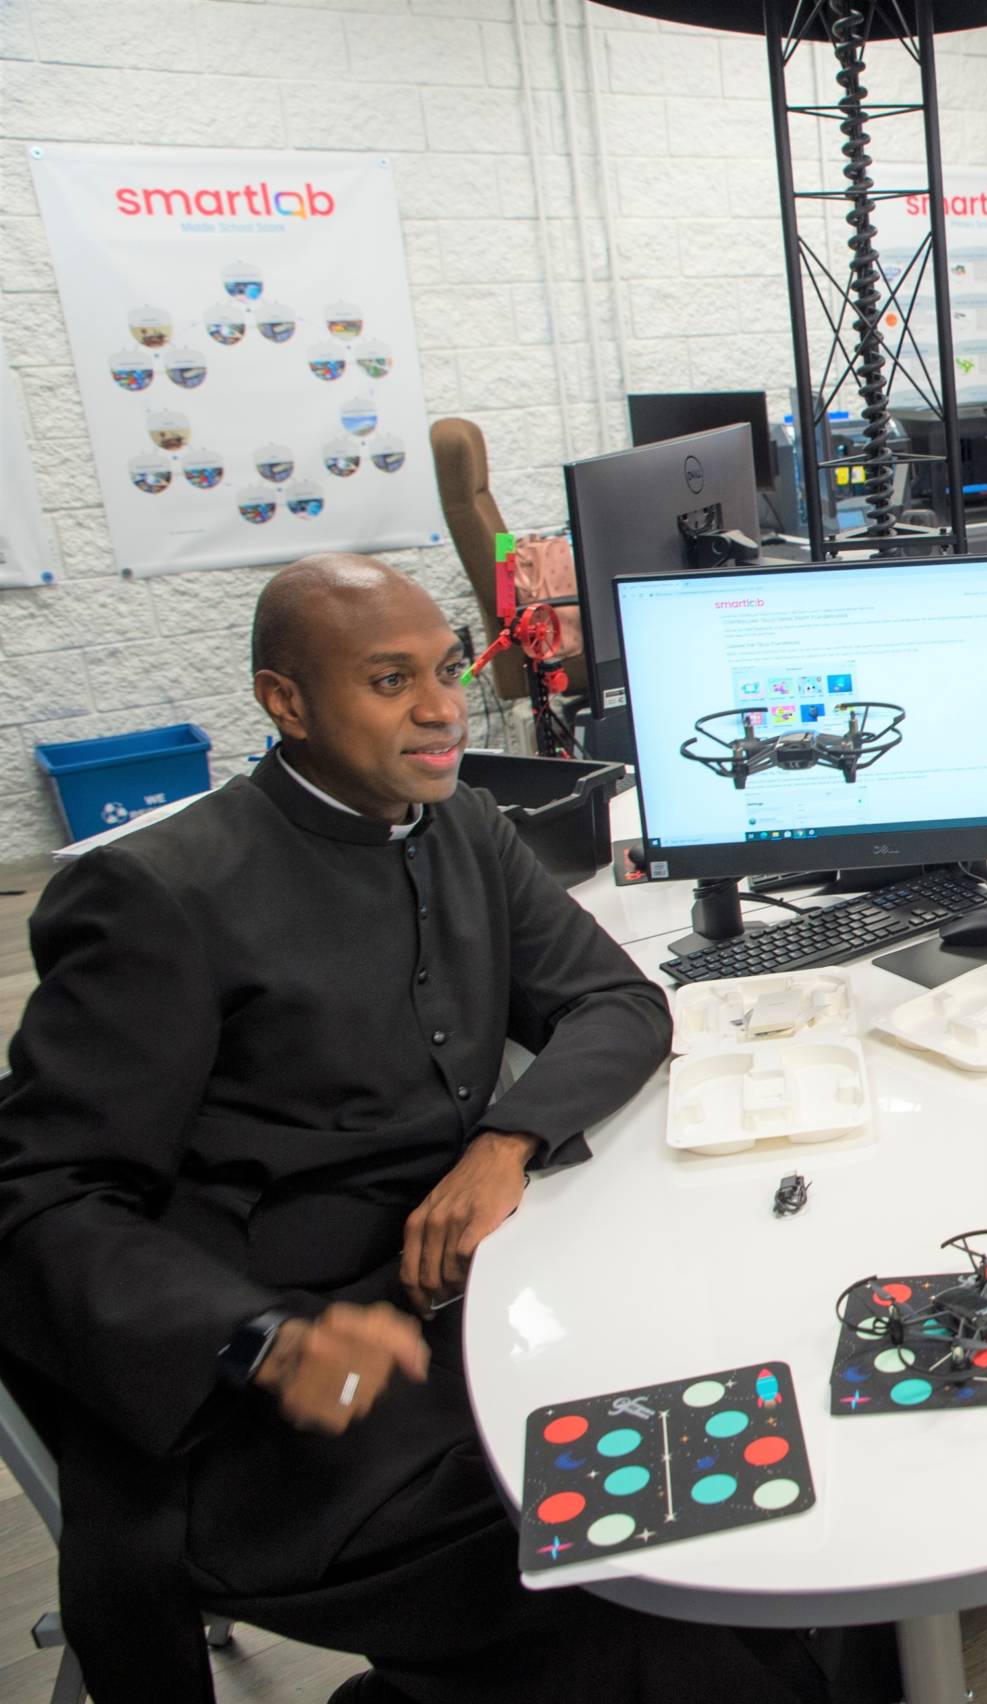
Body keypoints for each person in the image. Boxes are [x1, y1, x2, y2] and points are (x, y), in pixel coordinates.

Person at [0, 555, 899, 1704]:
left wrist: (504, 1142)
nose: (441, 709)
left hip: (478, 1317)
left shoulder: (459, 822)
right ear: (285, 702)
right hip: (283, 1407)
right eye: (391, 681)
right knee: (668, 1630)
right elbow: (42, 1199)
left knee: (790, 1514)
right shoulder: (160, 895)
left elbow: (618, 1003)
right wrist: (262, 1340)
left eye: (445, 671)